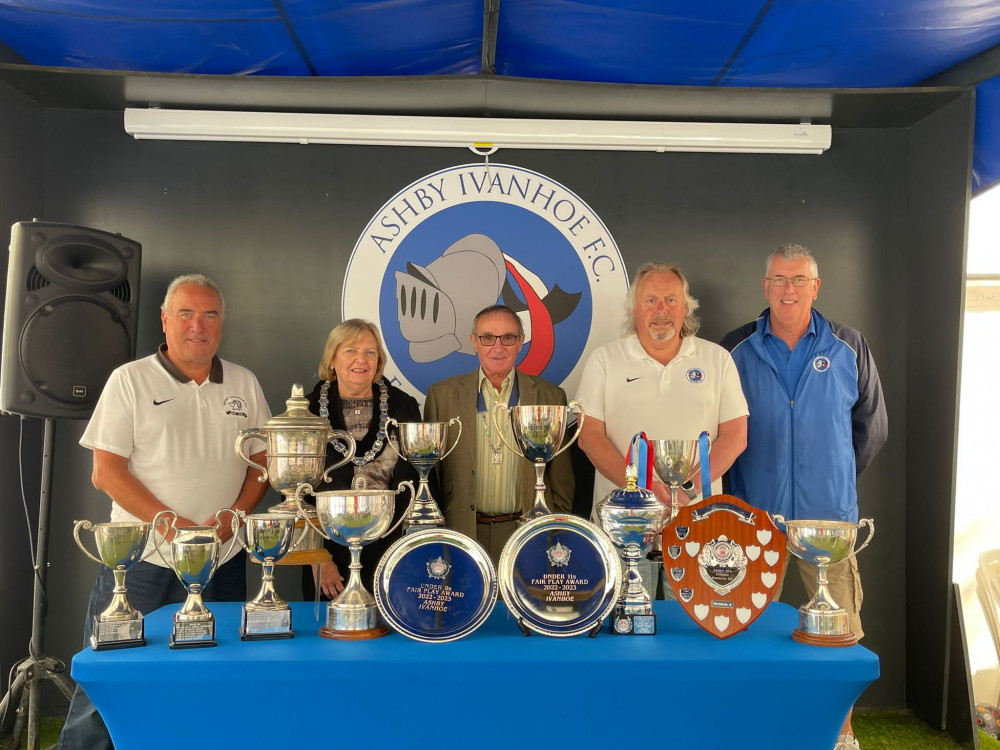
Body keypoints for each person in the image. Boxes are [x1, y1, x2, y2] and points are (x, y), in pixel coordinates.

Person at [58, 274, 271, 750]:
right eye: (187, 314)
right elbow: (106, 472)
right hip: (142, 562)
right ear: (165, 319)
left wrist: (234, 514)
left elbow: (263, 464)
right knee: (110, 676)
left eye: (210, 315)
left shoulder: (244, 382)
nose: (199, 326)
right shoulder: (129, 380)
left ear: (222, 323)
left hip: (222, 558)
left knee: (211, 675)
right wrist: (169, 524)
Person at [721, 243, 887, 750]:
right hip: (756, 514)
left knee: (840, 630)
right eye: (778, 279)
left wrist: (832, 476)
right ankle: (754, 724)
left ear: (816, 287)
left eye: (799, 280)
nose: (788, 289)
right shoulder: (735, 346)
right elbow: (720, 427)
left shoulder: (848, 344)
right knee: (745, 625)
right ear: (764, 286)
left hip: (828, 520)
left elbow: (872, 429)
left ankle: (842, 729)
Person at [576, 262, 749, 596]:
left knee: (692, 631)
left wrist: (685, 491)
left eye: (671, 300)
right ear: (634, 309)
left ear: (686, 308)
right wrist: (644, 490)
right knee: (623, 623)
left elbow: (736, 435)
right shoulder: (604, 360)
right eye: (651, 300)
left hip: (698, 522)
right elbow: (590, 436)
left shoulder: (717, 360)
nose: (662, 311)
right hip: (623, 523)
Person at [424, 304, 574, 563]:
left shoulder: (550, 395)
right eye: (487, 338)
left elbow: (561, 478)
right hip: (462, 530)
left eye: (508, 337)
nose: (497, 346)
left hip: (527, 531)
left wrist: (555, 527)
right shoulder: (442, 395)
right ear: (474, 342)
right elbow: (432, 473)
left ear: (520, 342)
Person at [301, 319, 421, 600]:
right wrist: (317, 556)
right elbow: (295, 492)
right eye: (350, 351)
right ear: (332, 359)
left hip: (391, 550)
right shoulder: (306, 411)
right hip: (329, 556)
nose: (361, 359)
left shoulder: (403, 406)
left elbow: (418, 479)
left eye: (370, 352)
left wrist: (410, 549)